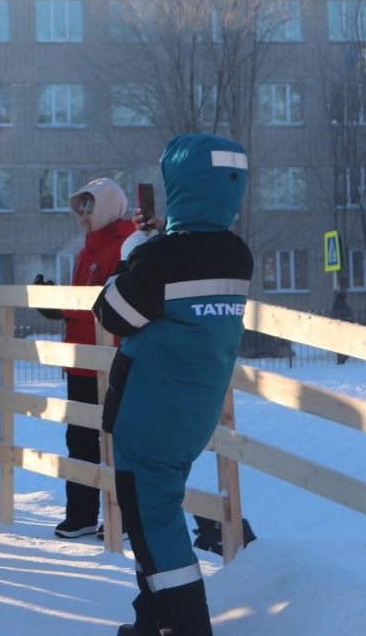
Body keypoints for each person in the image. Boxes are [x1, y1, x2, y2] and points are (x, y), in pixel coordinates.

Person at [92, 134, 253, 636]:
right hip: (188, 416)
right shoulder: (235, 255)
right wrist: (156, 245)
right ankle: (151, 623)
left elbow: (112, 313)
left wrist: (131, 254)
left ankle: (185, 626)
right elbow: (187, 270)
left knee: (155, 529)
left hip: (147, 419)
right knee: (153, 522)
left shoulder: (160, 259)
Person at [34, 177, 135, 539]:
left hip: (110, 361)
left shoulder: (125, 245)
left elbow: (105, 300)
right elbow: (82, 300)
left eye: (88, 208)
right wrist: (60, 305)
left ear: (107, 208)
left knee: (114, 438)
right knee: (79, 439)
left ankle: (119, 514)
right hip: (80, 360)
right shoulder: (87, 249)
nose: (82, 216)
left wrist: (60, 306)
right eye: (80, 209)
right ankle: (81, 514)